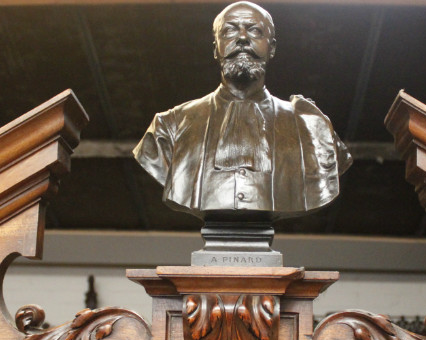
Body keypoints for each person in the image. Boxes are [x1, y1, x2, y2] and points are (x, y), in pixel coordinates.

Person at [134, 1, 351, 219]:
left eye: (255, 30)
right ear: (215, 48)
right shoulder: (169, 126)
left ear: (272, 48)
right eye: (229, 30)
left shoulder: (311, 127)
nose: (243, 38)